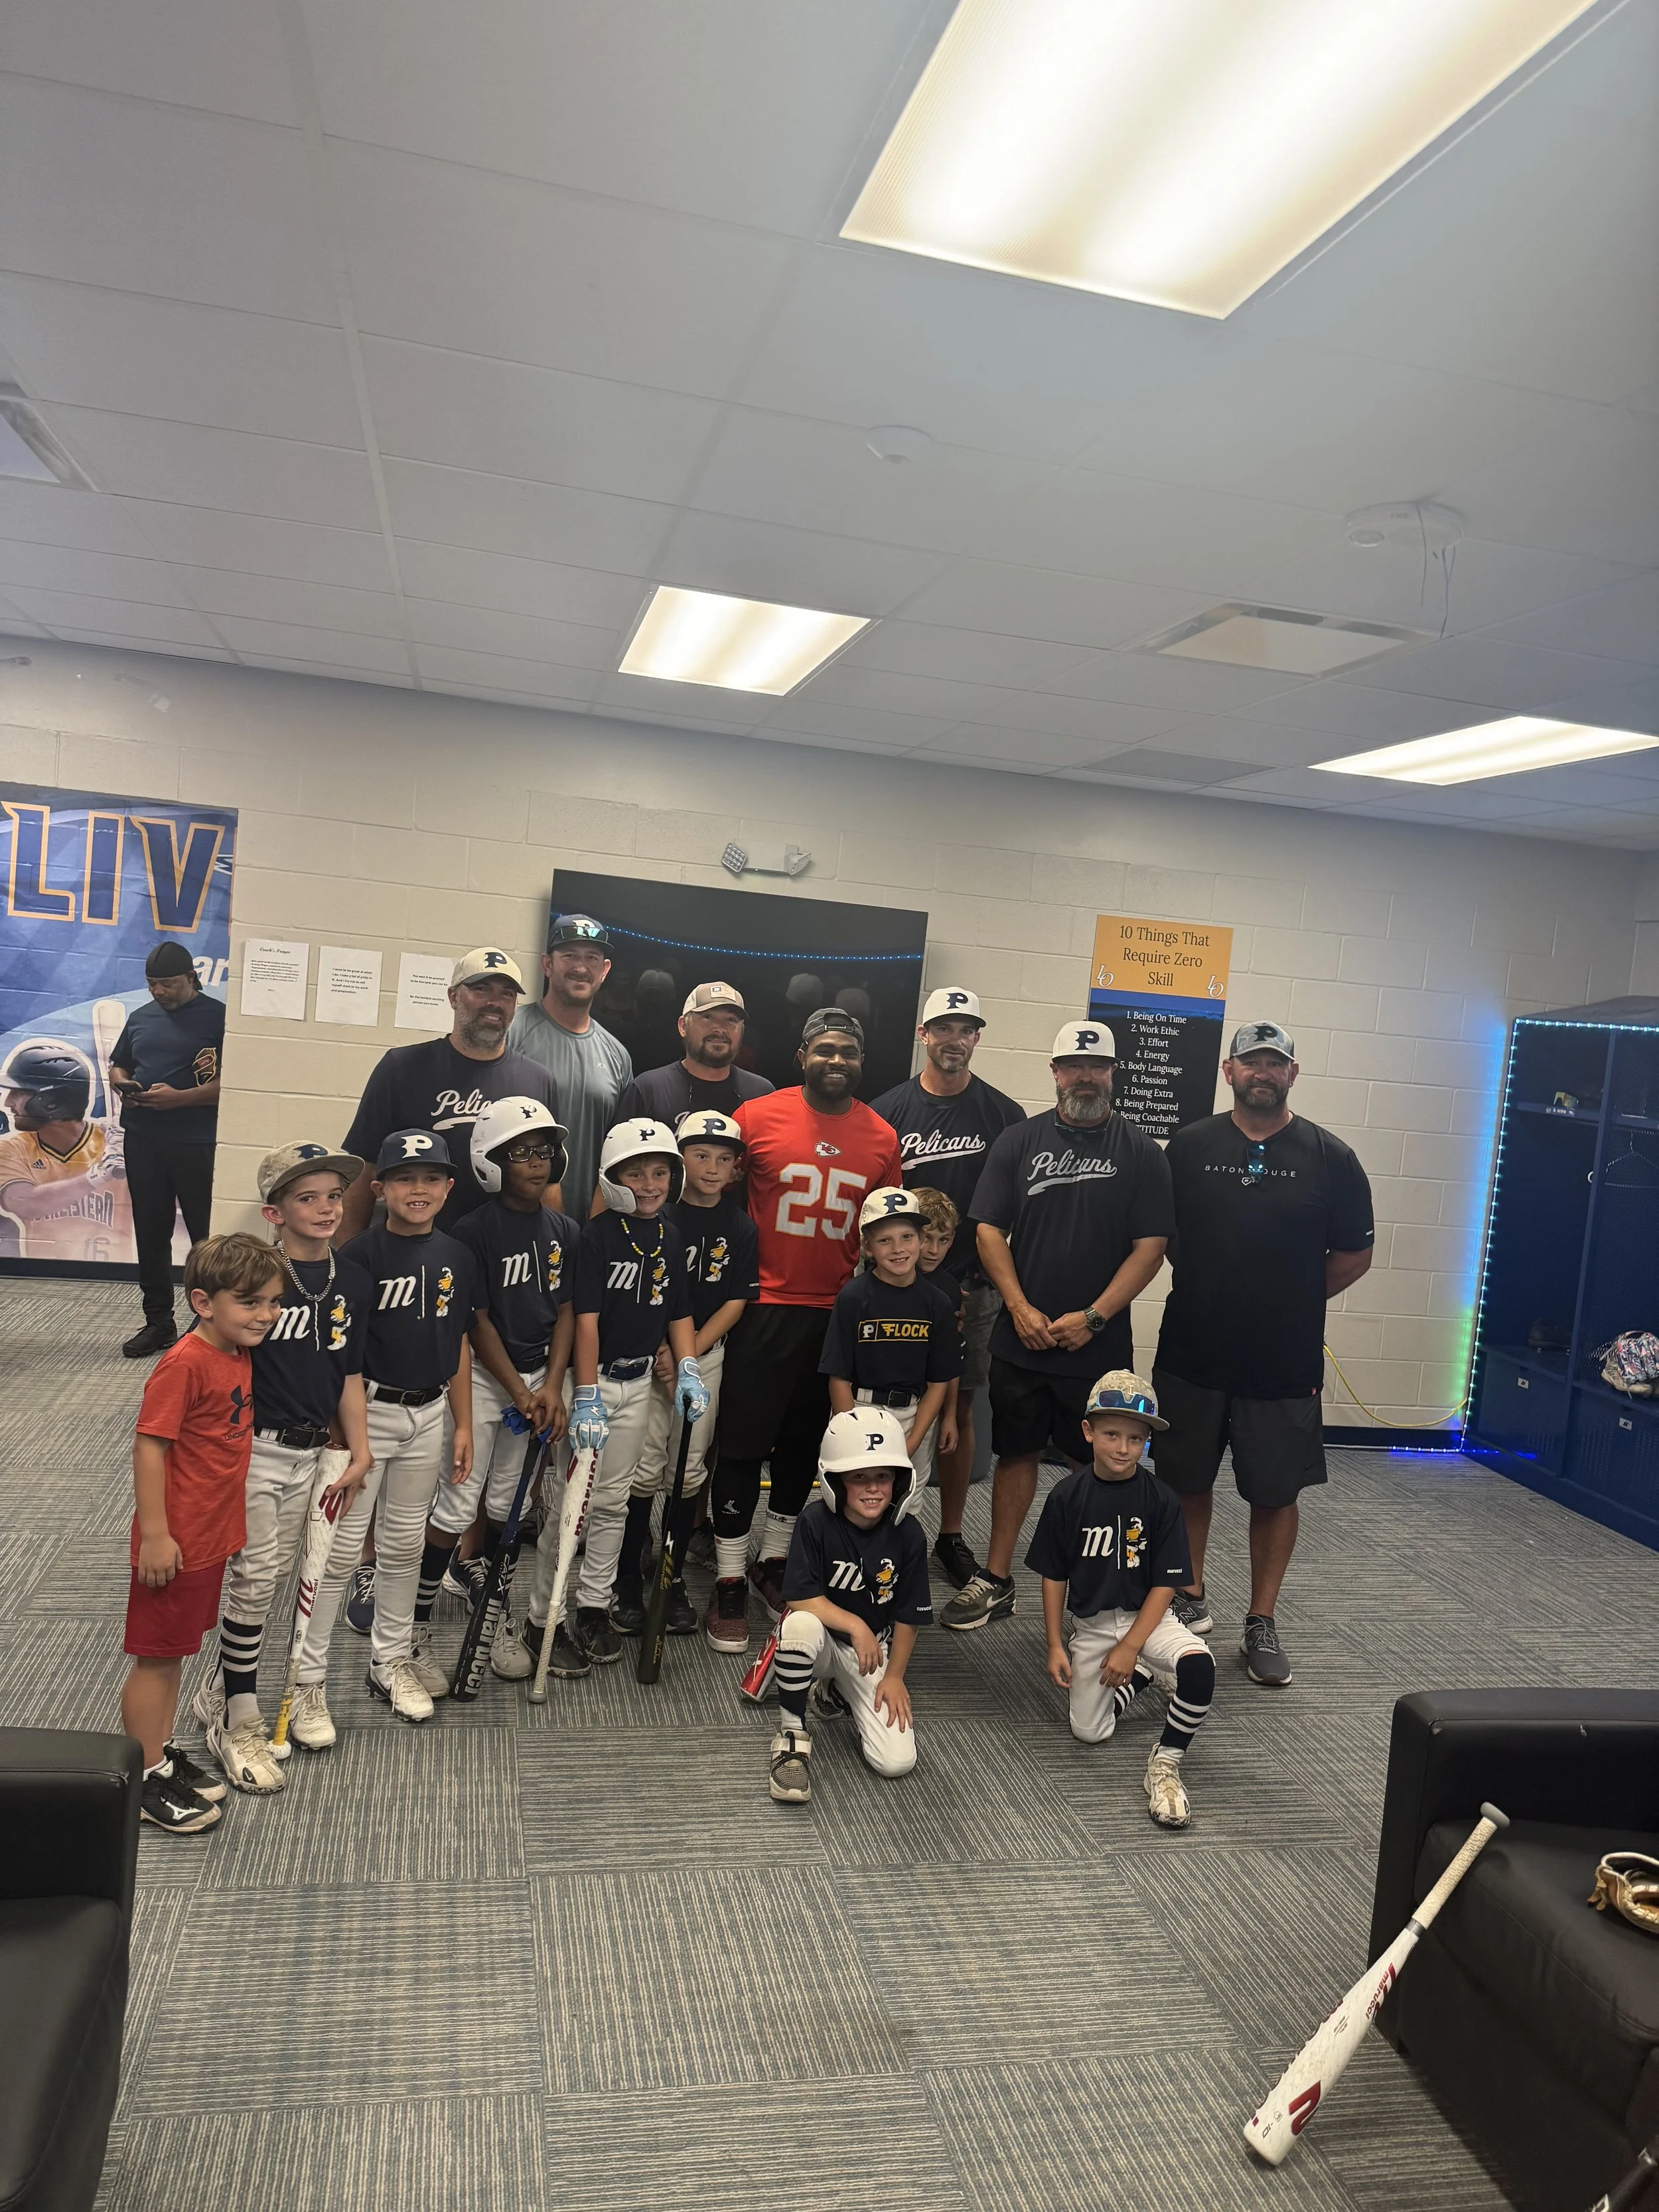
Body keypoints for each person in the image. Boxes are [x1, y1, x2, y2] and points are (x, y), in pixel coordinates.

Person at [1152, 1020, 1375, 1690]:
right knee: (1185, 1480)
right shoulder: (1187, 1147)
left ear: (1292, 1076)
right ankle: (1188, 1598)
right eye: (1252, 1062)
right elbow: (1165, 1237)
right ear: (1229, 1071)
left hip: (1282, 1361)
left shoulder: (1330, 1156)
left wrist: (1288, 1301)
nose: (1263, 1072)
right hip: (1192, 1350)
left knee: (1274, 1494)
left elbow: (1353, 1256)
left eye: (1275, 1064)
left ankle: (1260, 1620)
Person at [940, 1020, 1173, 1633]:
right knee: (1015, 1452)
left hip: (1097, 1344)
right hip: (1026, 1334)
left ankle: (1094, 1587)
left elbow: (1150, 1248)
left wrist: (1095, 1316)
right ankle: (995, 1577)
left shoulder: (1143, 1154)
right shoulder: (1019, 1141)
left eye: (1097, 1067)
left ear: (1113, 1073)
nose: (1085, 1076)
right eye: (1073, 1065)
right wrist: (1017, 1307)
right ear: (1055, 1072)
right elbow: (989, 1229)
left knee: (1093, 1462)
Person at [705, 1009, 903, 1654]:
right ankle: (730, 1580)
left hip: (834, 1315)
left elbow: (885, 1240)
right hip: (762, 1306)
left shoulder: (880, 1136)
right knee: (740, 1447)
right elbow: (720, 1208)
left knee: (803, 1450)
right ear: (801, 1056)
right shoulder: (757, 1116)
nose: (836, 1060)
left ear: (861, 1060)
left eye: (847, 1050)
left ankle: (775, 1560)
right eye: (824, 1049)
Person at [193, 1145, 375, 1788]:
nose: (326, 1208)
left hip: (314, 1452)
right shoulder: (257, 1283)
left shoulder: (351, 1278)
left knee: (289, 1575)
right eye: (307, 1198)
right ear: (274, 1212)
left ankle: (223, 1686)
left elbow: (349, 1371)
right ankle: (238, 1718)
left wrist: (360, 1449)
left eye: (333, 1195)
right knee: (255, 1578)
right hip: (254, 1448)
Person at [528, 1119, 707, 1676]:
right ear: (612, 1177)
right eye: (637, 1172)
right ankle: (542, 1618)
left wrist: (690, 1367)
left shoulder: (671, 1236)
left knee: (614, 1503)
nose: (650, 1183)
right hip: (595, 1381)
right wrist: (582, 1395)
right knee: (571, 1506)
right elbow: (584, 1320)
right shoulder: (597, 1237)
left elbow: (678, 1312)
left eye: (660, 1172)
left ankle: (594, 1607)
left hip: (638, 1385)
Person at [118, 1231, 283, 1833]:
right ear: (203, 1302)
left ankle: (158, 1757)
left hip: (209, 1535)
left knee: (178, 1653)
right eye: (250, 1301)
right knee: (157, 1662)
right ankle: (140, 1775)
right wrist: (157, 1536)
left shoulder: (235, 1350)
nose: (266, 1314)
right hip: (175, 1542)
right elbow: (149, 1445)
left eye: (272, 1301)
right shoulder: (185, 1361)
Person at [314, 1132, 478, 1724]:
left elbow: (459, 1341)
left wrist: (462, 1423)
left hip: (430, 1411)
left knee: (406, 1543)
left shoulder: (458, 1255)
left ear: (449, 1188)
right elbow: (342, 1358)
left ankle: (390, 1659)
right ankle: (309, 1678)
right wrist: (350, 1437)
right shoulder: (358, 1255)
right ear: (379, 1188)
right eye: (405, 1178)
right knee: (337, 1554)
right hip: (370, 1414)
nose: (419, 1189)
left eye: (432, 1178)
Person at [869, 988, 1024, 1589]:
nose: (954, 1038)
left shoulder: (1004, 1115)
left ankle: (950, 1535)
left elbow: (1011, 1209)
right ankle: (875, 1519)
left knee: (959, 1408)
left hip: (973, 1287)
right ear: (923, 1034)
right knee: (882, 1401)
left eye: (966, 1028)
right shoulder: (889, 1110)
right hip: (895, 1281)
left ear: (977, 1038)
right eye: (943, 1027)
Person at [1027, 1370, 1215, 1829]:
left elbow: (1166, 1585)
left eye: (1136, 1438)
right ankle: (1145, 1676)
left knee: (1199, 1666)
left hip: (1149, 1619)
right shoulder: (1067, 1496)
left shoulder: (1161, 1499)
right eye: (1111, 1433)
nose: (1123, 1447)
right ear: (1088, 1431)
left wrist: (1131, 1645)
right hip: (1092, 1625)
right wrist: (1055, 1642)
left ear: (1148, 1441)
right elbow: (1054, 1575)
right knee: (1090, 1733)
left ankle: (1166, 1762)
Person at [441, 1098, 579, 1684]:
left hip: (536, 1380)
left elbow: (569, 1309)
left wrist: (549, 1384)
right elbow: (476, 1320)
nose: (537, 1162)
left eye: (545, 1150)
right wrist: (516, 1391)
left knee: (509, 1504)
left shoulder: (564, 1229)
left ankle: (495, 1610)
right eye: (521, 1152)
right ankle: (418, 1618)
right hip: (481, 1376)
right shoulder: (471, 1231)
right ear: (491, 1160)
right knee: (456, 1501)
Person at [614, 1108, 757, 1640]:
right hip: (651, 1358)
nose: (712, 1167)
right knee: (644, 1468)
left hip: (702, 1358)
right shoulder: (659, 1217)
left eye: (724, 1159)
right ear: (679, 1161)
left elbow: (738, 1301)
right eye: (699, 1155)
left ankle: (669, 1582)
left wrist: (689, 1353)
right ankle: (628, 1578)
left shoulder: (740, 1225)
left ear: (736, 1168)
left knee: (687, 1467)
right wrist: (666, 1351)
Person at [336, 948, 560, 1241]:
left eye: (507, 993)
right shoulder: (401, 1068)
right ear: (454, 997)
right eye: (481, 989)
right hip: (417, 1253)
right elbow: (365, 1167)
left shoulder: (538, 1080)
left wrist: (553, 1248)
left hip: (507, 1255)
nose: (495, 1002)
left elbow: (549, 1179)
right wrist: (347, 1256)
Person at [768, 1406, 930, 1805]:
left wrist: (895, 1677)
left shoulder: (908, 1533)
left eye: (883, 1477)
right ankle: (791, 1736)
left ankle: (835, 1693)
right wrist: (855, 1625)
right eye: (859, 1477)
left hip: (871, 1652)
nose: (873, 1488)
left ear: (900, 1480)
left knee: (896, 1762)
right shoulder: (814, 1521)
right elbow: (799, 1596)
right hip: (827, 1640)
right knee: (798, 1627)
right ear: (835, 1481)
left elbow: (910, 1616)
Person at [109, 941, 226, 1358]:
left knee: (204, 1238)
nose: (159, 992)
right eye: (153, 984)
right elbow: (119, 1062)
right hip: (144, 1138)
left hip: (197, 1141)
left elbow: (235, 1085)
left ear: (191, 978)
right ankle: (158, 1322)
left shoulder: (219, 1017)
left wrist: (180, 1098)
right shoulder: (141, 1018)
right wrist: (122, 1082)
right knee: (151, 1232)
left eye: (169, 984)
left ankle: (207, 1323)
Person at [819, 1187, 959, 1489]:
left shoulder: (938, 1302)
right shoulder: (853, 1297)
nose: (898, 1249)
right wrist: (851, 1432)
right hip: (859, 1410)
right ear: (868, 1247)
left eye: (907, 1237)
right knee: (853, 1497)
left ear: (921, 1241)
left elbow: (939, 1382)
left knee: (906, 1500)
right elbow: (838, 1377)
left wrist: (912, 1442)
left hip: (915, 1415)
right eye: (885, 1240)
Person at [507, 913, 633, 1215]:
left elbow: (618, 1155)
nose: (580, 968)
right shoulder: (513, 1032)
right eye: (569, 956)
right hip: (513, 1223)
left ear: (604, 971)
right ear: (548, 964)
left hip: (587, 1225)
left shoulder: (617, 1055)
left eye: (592, 958)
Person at [0, 1039, 132, 1264]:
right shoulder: (13, 1149)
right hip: (43, 1282)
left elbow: (178, 1202)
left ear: (51, 1102)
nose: (9, 1102)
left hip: (115, 1282)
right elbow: (25, 1203)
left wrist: (138, 1150)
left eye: (19, 1093)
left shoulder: (117, 1145)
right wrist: (98, 1176)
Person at [614, 981, 774, 1126]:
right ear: (683, 1026)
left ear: (742, 1031)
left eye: (731, 1020)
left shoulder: (761, 1094)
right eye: (707, 1017)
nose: (719, 1028)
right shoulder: (649, 1089)